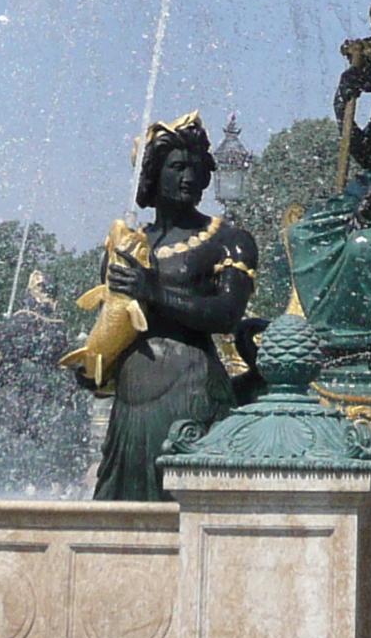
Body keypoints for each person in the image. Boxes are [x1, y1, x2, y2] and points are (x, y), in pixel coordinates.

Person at [88, 115, 258, 503]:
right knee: (122, 508)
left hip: (191, 389)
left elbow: (227, 315)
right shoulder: (127, 244)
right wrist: (94, 367)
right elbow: (111, 322)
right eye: (177, 167)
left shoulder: (229, 240)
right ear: (152, 174)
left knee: (187, 503)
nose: (189, 178)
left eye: (196, 169)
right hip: (131, 397)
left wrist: (155, 292)